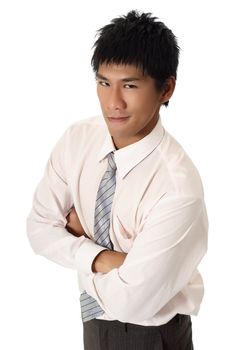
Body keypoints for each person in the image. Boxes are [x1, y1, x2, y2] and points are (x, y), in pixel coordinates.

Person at [27, 10, 208, 350]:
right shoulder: (77, 139)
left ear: (166, 88)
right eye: (103, 82)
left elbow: (132, 301)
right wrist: (106, 258)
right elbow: (38, 230)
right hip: (93, 326)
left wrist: (75, 241)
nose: (113, 103)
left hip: (154, 336)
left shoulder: (178, 189)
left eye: (129, 85)